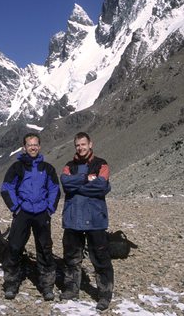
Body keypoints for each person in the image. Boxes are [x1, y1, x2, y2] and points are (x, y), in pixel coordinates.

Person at [0, 132, 61, 301]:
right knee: (14, 246)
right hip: (23, 212)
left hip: (42, 213)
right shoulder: (17, 167)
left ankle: (47, 286)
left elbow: (55, 189)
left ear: (39, 147)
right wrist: (16, 208)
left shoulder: (47, 169)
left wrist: (50, 209)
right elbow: (6, 188)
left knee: (45, 248)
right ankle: (11, 284)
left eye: (35, 144)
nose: (33, 147)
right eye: (29, 144)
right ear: (24, 147)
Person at [59, 132, 114, 311]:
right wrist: (85, 179)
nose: (81, 148)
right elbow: (66, 184)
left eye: (83, 144)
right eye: (77, 145)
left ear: (90, 144)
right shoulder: (69, 166)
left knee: (100, 258)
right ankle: (71, 288)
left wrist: (78, 188)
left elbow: (101, 186)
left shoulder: (101, 164)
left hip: (95, 218)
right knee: (71, 257)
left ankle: (104, 294)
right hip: (73, 218)